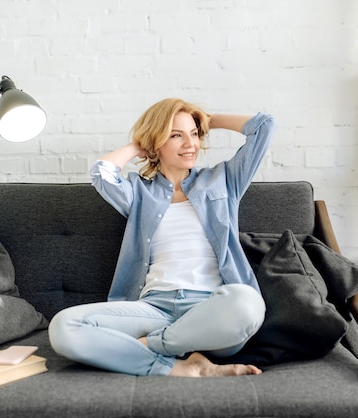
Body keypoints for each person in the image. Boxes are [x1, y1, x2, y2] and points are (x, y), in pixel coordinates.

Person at [49, 98, 276, 377]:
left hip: (212, 311)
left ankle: (151, 346)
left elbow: (264, 127)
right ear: (156, 141)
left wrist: (207, 119)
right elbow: (102, 173)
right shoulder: (139, 192)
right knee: (63, 326)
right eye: (176, 135)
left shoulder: (224, 179)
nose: (190, 144)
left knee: (248, 302)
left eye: (193, 134)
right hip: (153, 310)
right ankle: (176, 366)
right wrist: (139, 145)